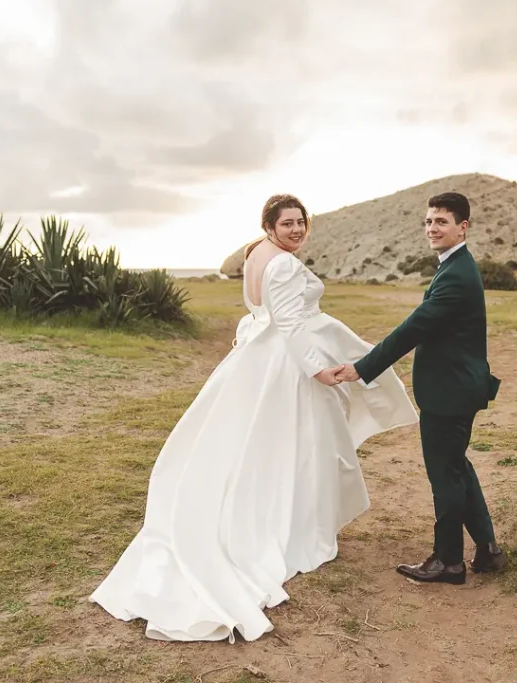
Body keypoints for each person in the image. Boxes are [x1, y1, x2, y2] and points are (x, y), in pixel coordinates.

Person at [88, 194, 418, 642]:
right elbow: (288, 323)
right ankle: (294, 529)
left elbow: (260, 317)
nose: (297, 230)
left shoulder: (257, 255)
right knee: (298, 446)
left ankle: (285, 517)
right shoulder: (281, 264)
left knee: (269, 444)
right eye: (288, 224)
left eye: (301, 222)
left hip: (263, 360)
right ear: (269, 225)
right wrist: (317, 369)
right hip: (288, 366)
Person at [331, 191, 505, 585]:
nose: (432, 228)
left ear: (463, 226)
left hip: (450, 392)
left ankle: (449, 561)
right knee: (457, 468)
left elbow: (413, 328)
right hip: (457, 388)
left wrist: (362, 368)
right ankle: (488, 550)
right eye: (428, 221)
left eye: (441, 221)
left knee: (445, 476)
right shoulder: (454, 266)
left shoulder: (457, 275)